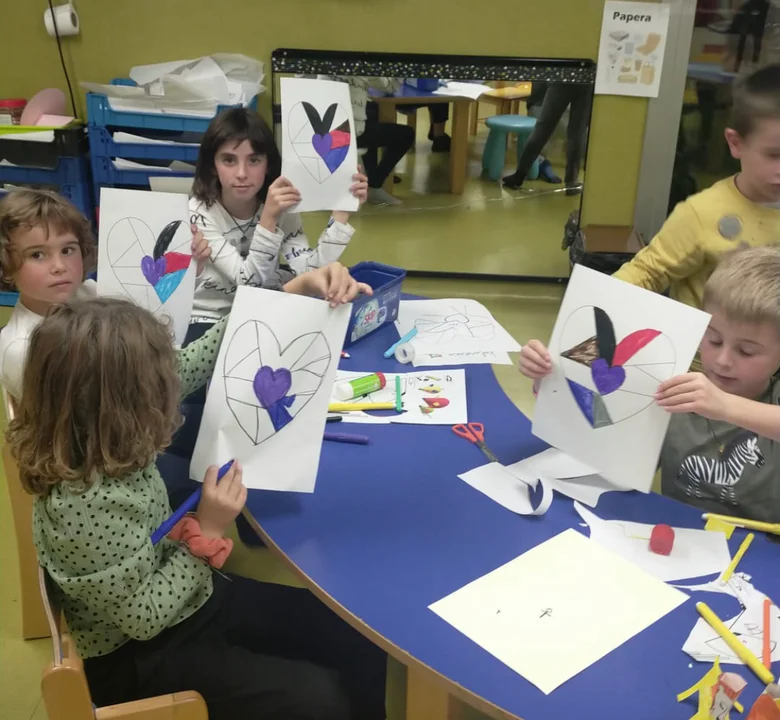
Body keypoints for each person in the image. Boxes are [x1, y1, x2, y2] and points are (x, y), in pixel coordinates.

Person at [8, 297, 387, 720]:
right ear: (121, 407)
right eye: (158, 388)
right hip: (140, 654)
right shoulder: (85, 506)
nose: (172, 391)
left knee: (357, 633)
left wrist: (281, 297)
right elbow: (143, 618)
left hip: (186, 599)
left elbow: (189, 364)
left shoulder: (97, 435)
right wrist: (208, 530)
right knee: (321, 700)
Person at [519, 246, 780, 522]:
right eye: (713, 340)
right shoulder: (672, 386)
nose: (723, 360)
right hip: (678, 533)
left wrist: (724, 406)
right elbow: (599, 437)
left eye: (746, 351)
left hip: (762, 542)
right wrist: (548, 378)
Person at [0, 188, 210, 401]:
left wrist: (189, 269)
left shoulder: (90, 293)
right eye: (37, 255)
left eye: (67, 250)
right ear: (6, 264)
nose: (59, 266)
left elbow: (151, 316)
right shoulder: (22, 348)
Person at [612, 63, 780, 310]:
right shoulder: (701, 214)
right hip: (706, 335)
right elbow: (646, 273)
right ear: (736, 143)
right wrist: (592, 309)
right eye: (775, 155)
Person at [189, 107, 369, 337]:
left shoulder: (281, 205)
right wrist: (268, 220)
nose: (242, 173)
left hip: (266, 311)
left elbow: (311, 271)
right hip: (209, 319)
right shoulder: (199, 212)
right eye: (229, 160)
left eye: (254, 160)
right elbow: (249, 284)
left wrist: (342, 212)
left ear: (268, 165)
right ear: (213, 166)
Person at [502, 82, 592, 194]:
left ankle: (519, 176)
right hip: (587, 81)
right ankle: (571, 183)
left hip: (563, 78)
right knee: (577, 133)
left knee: (543, 128)